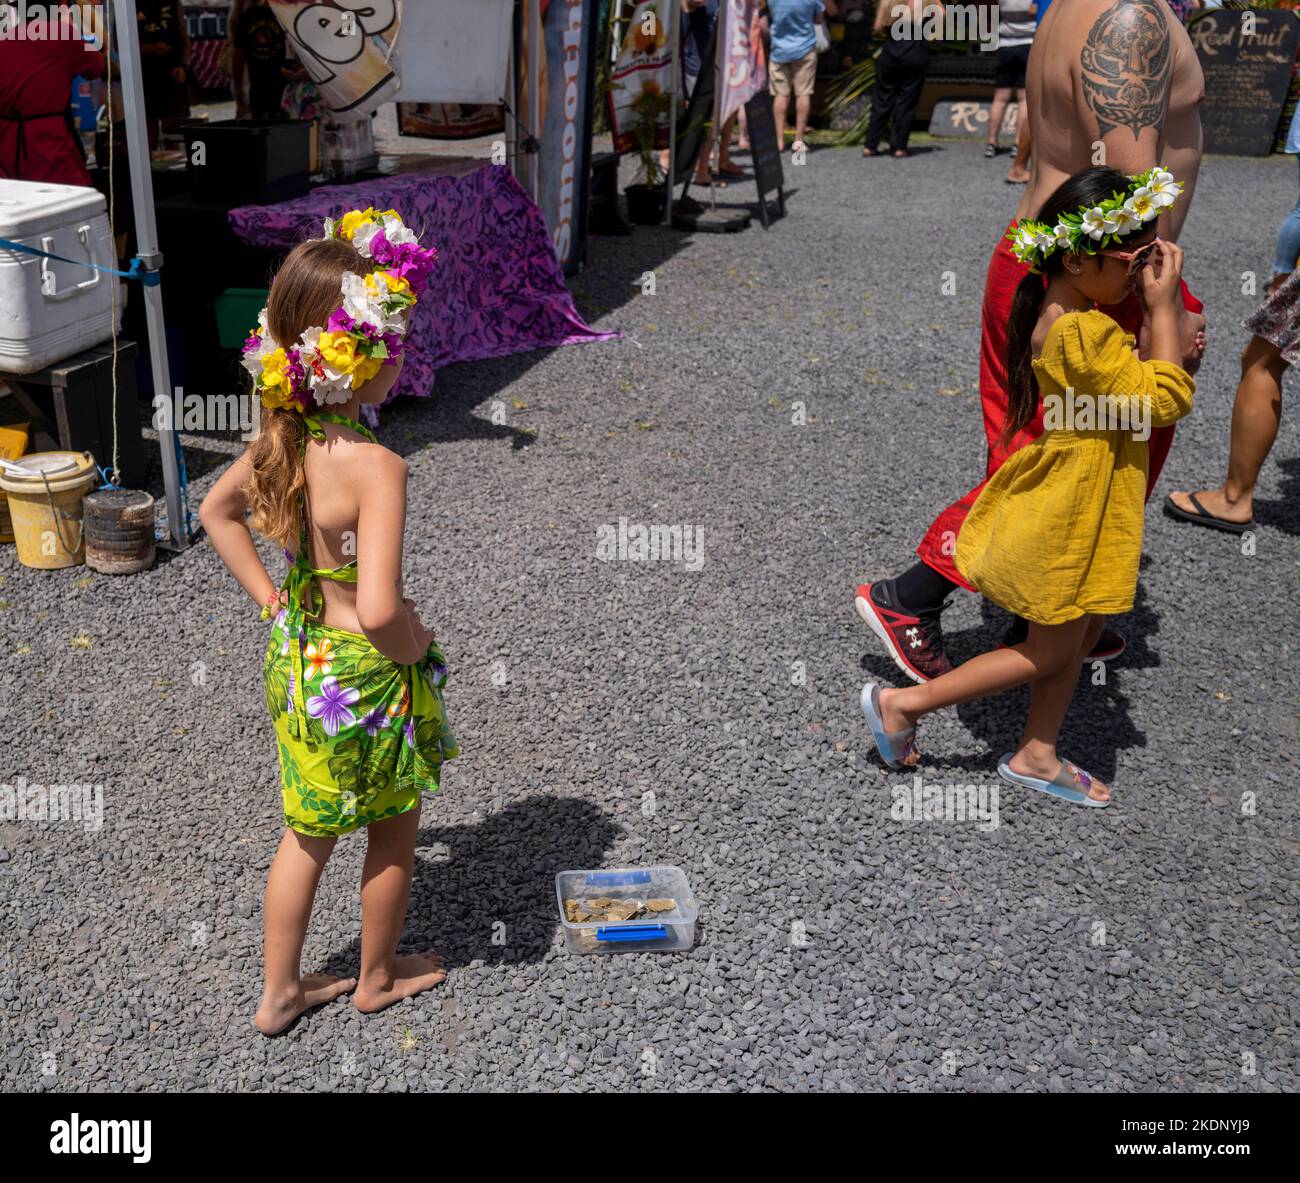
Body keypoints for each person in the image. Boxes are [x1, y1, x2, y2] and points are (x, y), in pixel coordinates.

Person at [856, 0, 1207, 681]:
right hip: (1101, 281)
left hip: (1044, 266)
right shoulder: (1129, 19)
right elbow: (1128, 206)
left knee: (1032, 446)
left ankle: (1042, 611)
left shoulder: (1077, 6)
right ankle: (914, 595)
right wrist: (1166, 310)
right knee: (1060, 463)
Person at [863, 167, 1195, 807]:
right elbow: (1166, 399)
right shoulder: (1080, 331)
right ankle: (904, 704)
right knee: (1047, 649)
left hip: (1093, 496)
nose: (1144, 270)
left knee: (1075, 632)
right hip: (1071, 504)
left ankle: (1037, 751)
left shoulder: (1073, 314)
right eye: (1135, 257)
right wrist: (1162, 311)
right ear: (1077, 255)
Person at [199, 209, 453, 1035]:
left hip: (299, 656)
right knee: (392, 826)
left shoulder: (283, 437)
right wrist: (416, 645)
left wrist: (275, 604)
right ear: (357, 355)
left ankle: (280, 992)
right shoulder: (378, 467)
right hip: (364, 674)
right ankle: (374, 976)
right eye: (396, 336)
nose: (404, 351)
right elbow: (377, 608)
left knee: (306, 831)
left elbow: (215, 511)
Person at [0, 3, 106, 186]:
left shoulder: (5, 41)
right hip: (50, 145)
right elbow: (98, 65)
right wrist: (87, 14)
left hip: (7, 147)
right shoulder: (63, 36)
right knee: (70, 204)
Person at [863, 0, 941, 159]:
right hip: (916, 49)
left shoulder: (888, 1)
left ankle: (870, 145)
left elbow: (877, 27)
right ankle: (899, 147)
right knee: (907, 100)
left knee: (882, 99)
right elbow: (942, 17)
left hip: (892, 50)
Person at [764, 0, 827, 153]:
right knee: (803, 92)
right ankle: (798, 140)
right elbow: (819, 19)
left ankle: (778, 140)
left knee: (780, 94)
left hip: (779, 49)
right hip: (805, 48)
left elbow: (766, 15)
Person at [986, 1, 1035, 170]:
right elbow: (1035, 10)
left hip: (1005, 45)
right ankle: (1017, 143)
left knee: (999, 98)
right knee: (1023, 99)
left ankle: (992, 142)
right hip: (1028, 43)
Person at [136, 0, 190, 149]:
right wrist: (148, 48)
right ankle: (150, 170)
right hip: (144, 78)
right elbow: (120, 43)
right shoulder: (132, 4)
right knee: (148, 135)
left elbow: (185, 38)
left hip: (172, 76)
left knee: (173, 133)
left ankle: (174, 170)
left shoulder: (173, 3)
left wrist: (183, 66)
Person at [232, 1, 288, 120]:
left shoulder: (247, 17)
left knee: (260, 125)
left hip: (260, 86)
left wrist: (238, 90)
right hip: (283, 86)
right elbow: (238, 57)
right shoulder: (286, 13)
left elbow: (238, 58)